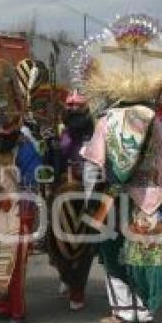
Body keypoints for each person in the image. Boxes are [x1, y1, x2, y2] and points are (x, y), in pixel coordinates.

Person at [77, 14, 162, 323]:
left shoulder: (106, 121)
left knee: (113, 253)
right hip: (151, 197)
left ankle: (124, 311)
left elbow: (93, 167)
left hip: (114, 199)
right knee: (145, 253)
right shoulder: (158, 123)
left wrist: (89, 202)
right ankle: (146, 310)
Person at [0, 59, 42, 323]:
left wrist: (20, 202)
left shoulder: (24, 145)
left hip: (19, 212)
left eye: (8, 124)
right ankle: (1, 306)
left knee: (14, 266)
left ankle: (17, 311)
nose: (3, 129)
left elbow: (35, 176)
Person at [47, 91, 97, 311]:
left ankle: (78, 289)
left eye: (78, 105)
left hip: (89, 189)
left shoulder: (96, 129)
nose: (73, 109)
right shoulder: (60, 130)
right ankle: (66, 276)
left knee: (86, 242)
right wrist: (50, 147)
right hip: (61, 189)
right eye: (70, 105)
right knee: (56, 238)